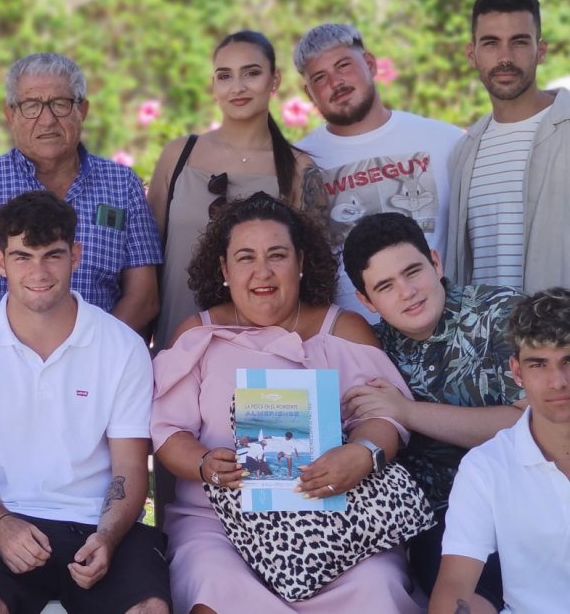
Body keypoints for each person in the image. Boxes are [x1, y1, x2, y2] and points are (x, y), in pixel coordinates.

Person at [152, 192, 422, 613]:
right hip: (219, 524)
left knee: (377, 587)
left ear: (300, 262)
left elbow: (385, 414)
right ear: (224, 268)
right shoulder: (198, 335)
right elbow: (168, 432)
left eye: (277, 255)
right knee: (214, 587)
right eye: (245, 257)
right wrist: (205, 464)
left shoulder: (342, 329)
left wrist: (362, 454)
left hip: (339, 520)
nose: (263, 271)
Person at [0, 191, 171, 614]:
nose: (39, 271)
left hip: (97, 521)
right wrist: (0, 525)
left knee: (149, 608)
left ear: (75, 256)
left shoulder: (123, 346)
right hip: (3, 516)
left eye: (53, 255)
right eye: (23, 256)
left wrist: (108, 535)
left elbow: (131, 466)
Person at [341, 212, 525, 606]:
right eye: (385, 286)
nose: (407, 292)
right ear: (365, 300)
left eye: (413, 271)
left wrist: (408, 412)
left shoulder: (501, 315)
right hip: (437, 518)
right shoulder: (367, 350)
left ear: (436, 263)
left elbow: (528, 422)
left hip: (522, 496)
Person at [0, 53, 161, 334]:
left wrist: (94, 349)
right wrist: (20, 355)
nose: (47, 120)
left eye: (60, 104)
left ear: (82, 111)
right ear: (10, 115)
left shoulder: (123, 184)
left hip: (100, 363)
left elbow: (144, 298)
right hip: (6, 363)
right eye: (31, 105)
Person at [149, 30, 323, 349]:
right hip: (176, 347)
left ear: (275, 81)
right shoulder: (177, 156)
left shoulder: (300, 170)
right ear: (213, 87)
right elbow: (145, 265)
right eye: (225, 76)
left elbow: (313, 279)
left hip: (265, 358)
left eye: (251, 73)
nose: (238, 87)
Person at [294, 23, 462, 320]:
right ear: (309, 93)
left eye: (343, 65)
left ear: (370, 64)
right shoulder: (298, 163)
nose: (336, 82)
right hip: (349, 344)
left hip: (442, 339)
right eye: (320, 77)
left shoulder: (445, 141)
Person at [430, 288, 570, 614]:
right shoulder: (485, 467)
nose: (558, 381)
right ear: (517, 372)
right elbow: (454, 585)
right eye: (539, 364)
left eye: (568, 360)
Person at [445, 0, 570, 292]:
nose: (505, 57)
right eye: (491, 43)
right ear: (471, 54)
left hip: (558, 335)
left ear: (540, 51)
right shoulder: (463, 152)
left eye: (519, 42)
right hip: (486, 338)